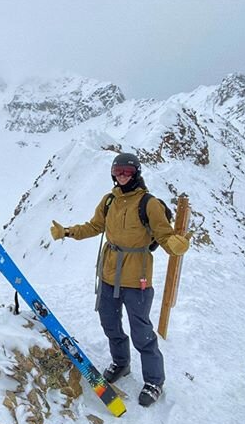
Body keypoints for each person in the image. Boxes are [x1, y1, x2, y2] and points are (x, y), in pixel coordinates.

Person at [49, 153, 190, 407]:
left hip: (138, 279)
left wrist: (174, 245)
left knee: (142, 333)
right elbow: (94, 227)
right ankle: (121, 363)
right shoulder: (110, 200)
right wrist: (67, 232)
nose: (122, 175)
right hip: (108, 275)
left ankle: (154, 381)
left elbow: (163, 233)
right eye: (118, 171)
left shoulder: (149, 204)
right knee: (110, 324)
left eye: (127, 171)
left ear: (136, 173)